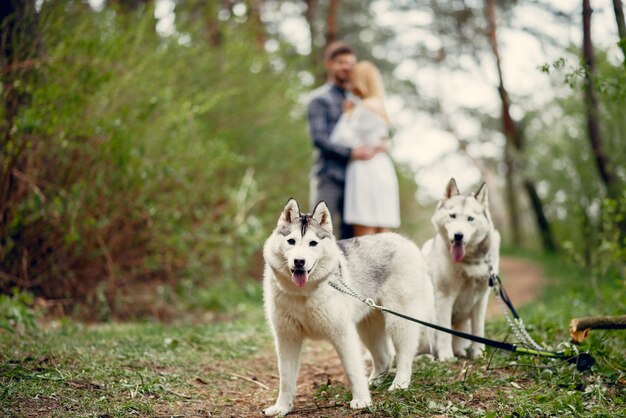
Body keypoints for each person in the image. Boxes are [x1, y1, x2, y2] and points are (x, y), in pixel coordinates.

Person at [307, 42, 377, 239]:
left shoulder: (358, 101)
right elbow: (319, 139)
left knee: (352, 238)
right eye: (341, 62)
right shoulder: (319, 99)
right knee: (318, 232)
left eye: (351, 64)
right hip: (329, 176)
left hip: (357, 178)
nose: (347, 67)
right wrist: (350, 152)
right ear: (330, 64)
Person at [330, 61, 400, 236]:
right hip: (382, 167)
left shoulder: (363, 107)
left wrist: (346, 115)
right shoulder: (380, 105)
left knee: (365, 231)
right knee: (383, 231)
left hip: (365, 169)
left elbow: (341, 139)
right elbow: (382, 141)